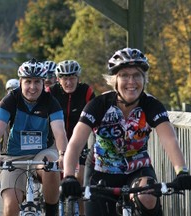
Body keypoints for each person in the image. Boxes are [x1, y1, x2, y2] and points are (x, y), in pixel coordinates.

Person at [61, 48, 190, 216]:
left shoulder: (151, 105)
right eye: (124, 75)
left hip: (138, 170)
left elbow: (169, 139)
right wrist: (69, 176)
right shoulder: (99, 104)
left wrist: (182, 171)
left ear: (144, 79)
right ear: (114, 80)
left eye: (137, 75)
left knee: (148, 197)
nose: (131, 81)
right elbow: (76, 142)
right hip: (101, 171)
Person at [0, 58, 68, 216]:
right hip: (13, 156)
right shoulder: (9, 101)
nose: (32, 87)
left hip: (42, 152)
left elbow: (59, 131)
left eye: (37, 82)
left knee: (51, 166)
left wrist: (63, 155)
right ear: (20, 82)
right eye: (28, 81)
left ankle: (52, 211)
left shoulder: (51, 101)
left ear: (43, 83)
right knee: (11, 206)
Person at [46, 59, 95, 215]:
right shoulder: (50, 92)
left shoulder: (86, 92)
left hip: (79, 143)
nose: (68, 82)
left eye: (72, 77)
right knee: (52, 178)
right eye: (64, 78)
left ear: (78, 78)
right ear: (58, 79)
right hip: (54, 143)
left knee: (79, 180)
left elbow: (97, 116)